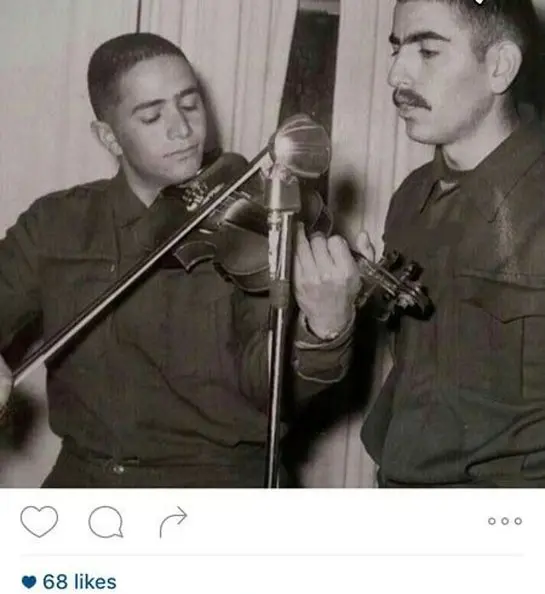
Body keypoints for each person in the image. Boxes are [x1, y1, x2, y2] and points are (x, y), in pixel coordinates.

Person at [0, 32, 361, 488]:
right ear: (109, 137)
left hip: (220, 483)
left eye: (190, 105)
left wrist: (324, 329)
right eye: (152, 116)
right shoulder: (55, 224)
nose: (183, 130)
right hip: (88, 480)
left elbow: (272, 390)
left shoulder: (258, 222)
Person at [360, 0, 545, 487]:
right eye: (397, 49)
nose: (396, 75)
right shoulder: (411, 198)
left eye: (428, 51)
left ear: (499, 67)